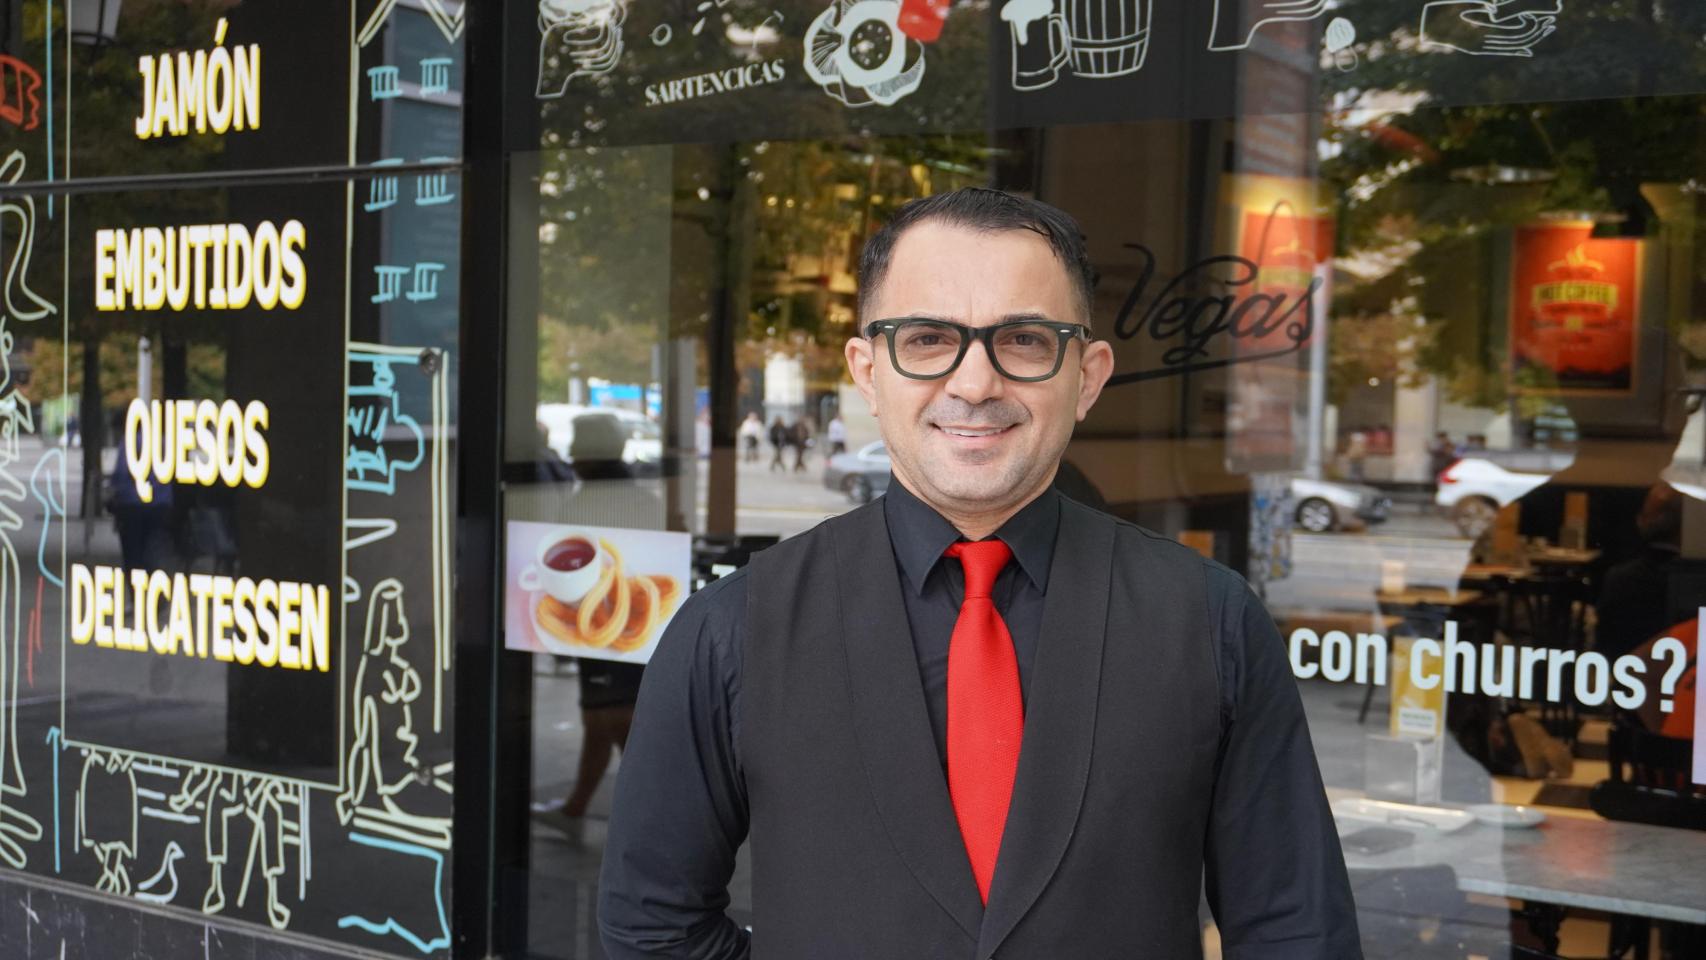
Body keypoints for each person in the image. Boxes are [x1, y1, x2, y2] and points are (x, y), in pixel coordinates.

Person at [599, 188, 1359, 957]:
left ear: (1088, 376)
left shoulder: (1210, 620)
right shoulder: (732, 629)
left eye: (1024, 339)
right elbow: (651, 924)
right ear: (867, 369)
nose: (974, 383)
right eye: (928, 338)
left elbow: (1295, 930)